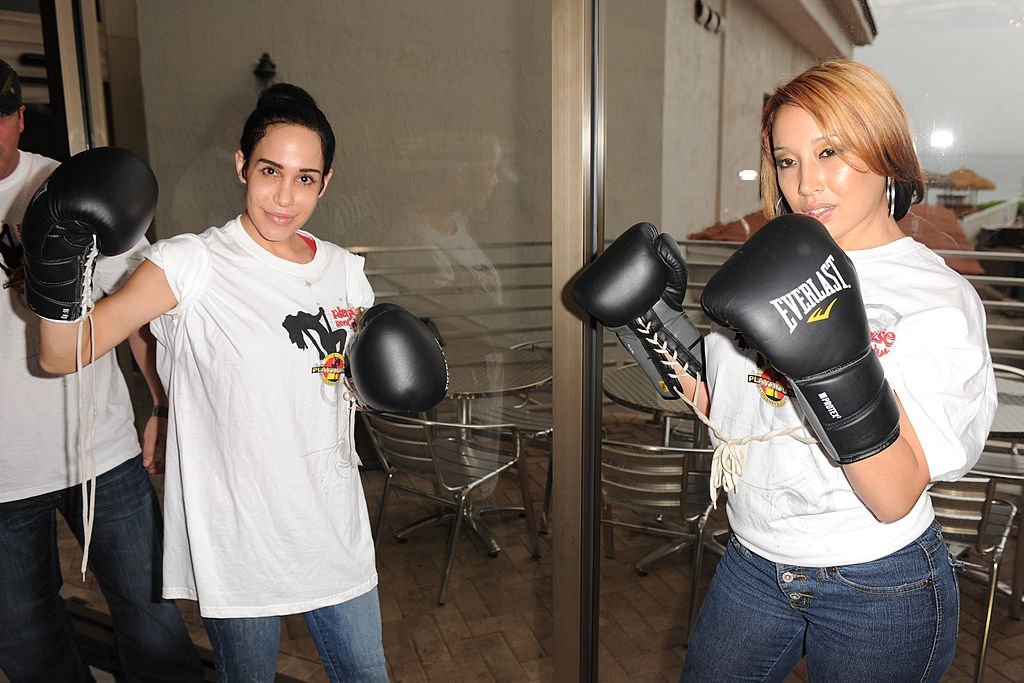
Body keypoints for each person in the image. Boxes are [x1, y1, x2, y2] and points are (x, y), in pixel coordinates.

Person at [573, 59, 996, 681]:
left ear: (887, 156)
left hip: (878, 581)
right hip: (754, 559)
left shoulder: (938, 298)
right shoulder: (772, 261)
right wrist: (652, 325)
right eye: (787, 159)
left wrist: (831, 362)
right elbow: (735, 410)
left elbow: (894, 495)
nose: (807, 183)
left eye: (831, 151)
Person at [24, 84, 446, 681]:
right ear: (242, 164)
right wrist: (53, 259)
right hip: (239, 533)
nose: (285, 195)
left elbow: (335, 390)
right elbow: (63, 354)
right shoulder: (190, 263)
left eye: (306, 178)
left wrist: (382, 382)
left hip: (332, 523)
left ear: (325, 184)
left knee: (365, 674)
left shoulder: (347, 274)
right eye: (271, 170)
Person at [0, 59, 202, 681]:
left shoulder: (67, 187)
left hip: (104, 452)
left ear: (20, 118)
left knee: (155, 622)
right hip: (1, 474)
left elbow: (137, 315)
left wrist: (162, 405)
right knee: (27, 644)